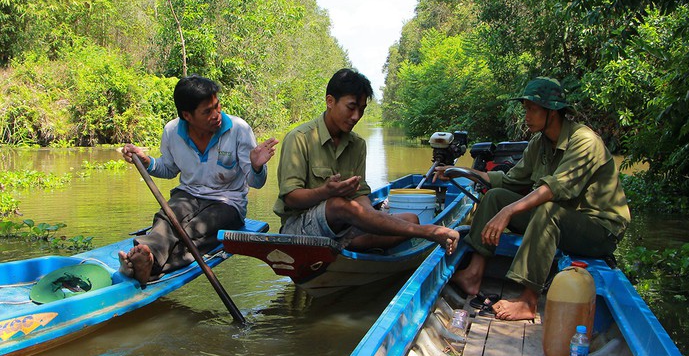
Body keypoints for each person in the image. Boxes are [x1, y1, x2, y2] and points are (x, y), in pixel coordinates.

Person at [434, 77, 630, 320]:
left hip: (598, 229)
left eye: (532, 109)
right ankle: (473, 274)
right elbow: (509, 181)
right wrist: (465, 172)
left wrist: (509, 213)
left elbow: (554, 189)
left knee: (546, 210)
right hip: (560, 220)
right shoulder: (539, 143)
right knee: (495, 198)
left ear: (553, 112)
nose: (526, 115)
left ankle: (528, 301)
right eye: (525, 108)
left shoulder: (584, 141)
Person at [273, 68, 460, 254]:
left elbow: (360, 194)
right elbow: (290, 197)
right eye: (351, 107)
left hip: (344, 225)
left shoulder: (357, 144)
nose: (356, 116)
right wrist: (325, 192)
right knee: (337, 204)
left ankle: (344, 245)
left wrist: (371, 216)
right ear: (330, 101)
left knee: (411, 219)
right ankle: (427, 232)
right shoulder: (299, 138)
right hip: (299, 229)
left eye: (362, 110)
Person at [118, 75, 278, 287]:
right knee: (167, 217)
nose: (216, 115)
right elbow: (169, 169)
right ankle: (146, 254)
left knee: (195, 231)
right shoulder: (172, 131)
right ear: (187, 115)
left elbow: (256, 182)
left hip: (228, 203)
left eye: (217, 106)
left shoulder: (239, 130)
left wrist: (257, 166)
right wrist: (148, 162)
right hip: (188, 195)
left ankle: (149, 264)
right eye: (207, 111)